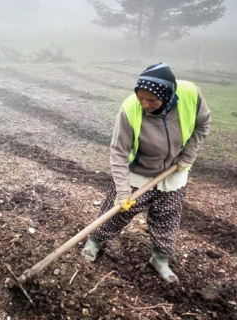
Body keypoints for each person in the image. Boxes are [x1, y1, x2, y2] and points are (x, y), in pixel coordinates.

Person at [81, 62, 211, 283]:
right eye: (141, 97)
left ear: (168, 95)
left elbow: (203, 124)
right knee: (117, 213)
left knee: (167, 218)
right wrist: (122, 193)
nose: (145, 104)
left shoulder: (191, 94)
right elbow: (118, 152)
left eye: (152, 100)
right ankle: (95, 241)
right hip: (138, 174)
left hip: (173, 174)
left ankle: (160, 258)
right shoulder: (130, 108)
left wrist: (187, 157)